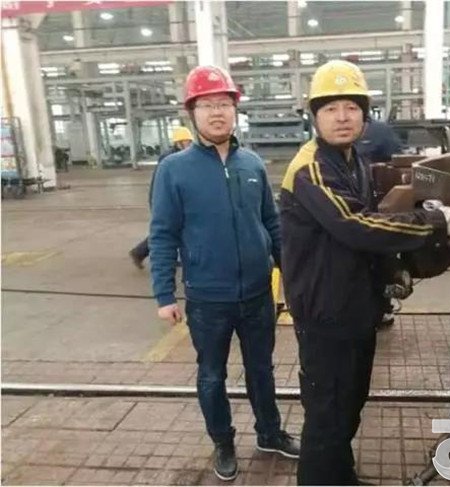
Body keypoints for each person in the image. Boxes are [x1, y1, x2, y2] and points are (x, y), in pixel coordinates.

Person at [279, 60, 450, 485]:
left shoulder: (353, 160)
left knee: (349, 408)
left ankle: (340, 478)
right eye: (330, 108)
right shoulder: (311, 169)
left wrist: (392, 270)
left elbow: (370, 221)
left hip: (356, 307)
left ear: (364, 115)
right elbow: (356, 225)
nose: (342, 117)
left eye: (351, 107)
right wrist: (439, 221)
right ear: (314, 116)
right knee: (327, 417)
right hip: (325, 315)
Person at [149, 65, 300, 482]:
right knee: (211, 375)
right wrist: (164, 294)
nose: (217, 112)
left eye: (224, 104)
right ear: (192, 113)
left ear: (235, 110)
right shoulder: (173, 169)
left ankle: (269, 433)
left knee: (262, 370)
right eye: (207, 105)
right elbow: (162, 235)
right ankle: (223, 441)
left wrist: (292, 275)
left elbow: (271, 224)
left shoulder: (252, 163)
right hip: (207, 298)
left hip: (257, 294)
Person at [355, 117, 404, 328]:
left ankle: (383, 309)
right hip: (354, 207)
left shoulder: (380, 132)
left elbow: (399, 163)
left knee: (381, 260)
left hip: (377, 207)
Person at [128, 126, 193, 269]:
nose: (189, 144)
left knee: (175, 228)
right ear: (178, 143)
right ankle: (140, 253)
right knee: (167, 229)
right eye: (186, 142)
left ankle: (140, 252)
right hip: (163, 197)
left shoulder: (180, 156)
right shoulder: (169, 158)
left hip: (171, 196)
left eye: (190, 141)